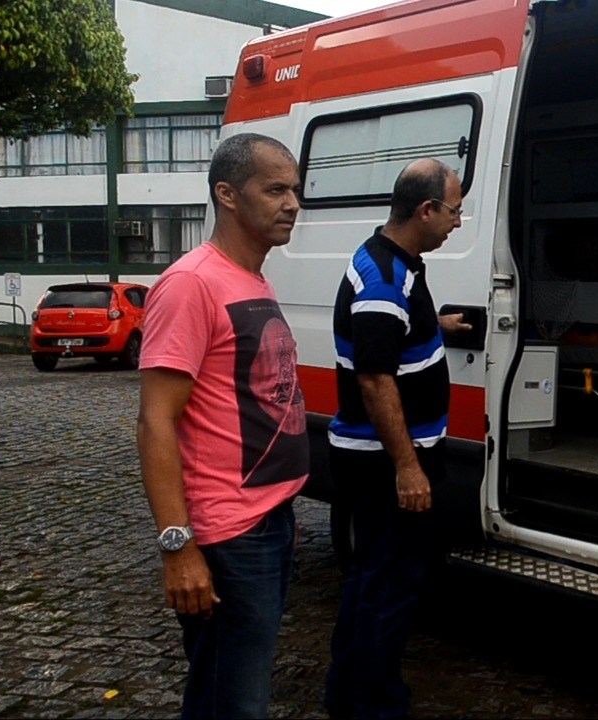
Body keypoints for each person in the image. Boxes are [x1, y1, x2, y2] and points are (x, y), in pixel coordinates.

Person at [137, 132, 308, 719]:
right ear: (228, 195)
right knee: (232, 702)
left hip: (270, 519)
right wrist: (178, 547)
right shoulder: (192, 283)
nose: (292, 203)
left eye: (296, 190)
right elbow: (156, 421)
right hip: (230, 534)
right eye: (276, 189)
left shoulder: (252, 278)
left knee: (234, 691)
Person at [324, 158, 469, 720]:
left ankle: (347, 696)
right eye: (454, 210)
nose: (458, 221)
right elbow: (374, 377)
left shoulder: (396, 264)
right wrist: (408, 468)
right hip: (383, 464)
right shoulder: (385, 280)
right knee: (390, 588)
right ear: (426, 209)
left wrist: (439, 327)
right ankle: (376, 706)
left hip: (374, 459)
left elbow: (392, 338)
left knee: (370, 579)